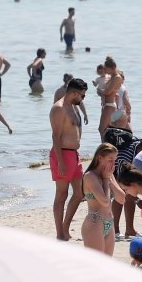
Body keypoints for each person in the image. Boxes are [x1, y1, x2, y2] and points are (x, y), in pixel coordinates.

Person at [50, 78, 88, 241]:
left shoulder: (73, 106)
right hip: (62, 154)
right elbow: (56, 136)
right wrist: (61, 162)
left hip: (74, 155)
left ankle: (65, 228)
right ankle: (60, 233)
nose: (82, 99)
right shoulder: (58, 109)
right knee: (61, 194)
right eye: (82, 96)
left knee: (79, 193)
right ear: (74, 93)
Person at [81, 143, 125, 255]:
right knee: (96, 266)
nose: (113, 164)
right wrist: (106, 179)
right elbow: (105, 202)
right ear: (100, 158)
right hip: (95, 223)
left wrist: (110, 180)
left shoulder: (109, 174)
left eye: (115, 160)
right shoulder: (90, 176)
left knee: (107, 265)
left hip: (109, 223)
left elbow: (121, 199)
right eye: (110, 160)